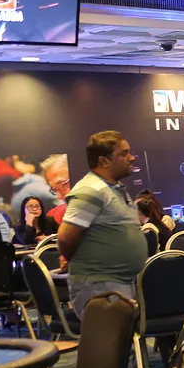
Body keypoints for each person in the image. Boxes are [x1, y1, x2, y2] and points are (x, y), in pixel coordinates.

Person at [57, 130, 148, 314]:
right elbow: (65, 239)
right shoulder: (91, 190)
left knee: (120, 333)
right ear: (104, 161)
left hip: (118, 284)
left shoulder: (113, 188)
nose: (131, 158)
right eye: (123, 154)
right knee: (106, 333)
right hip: (99, 286)